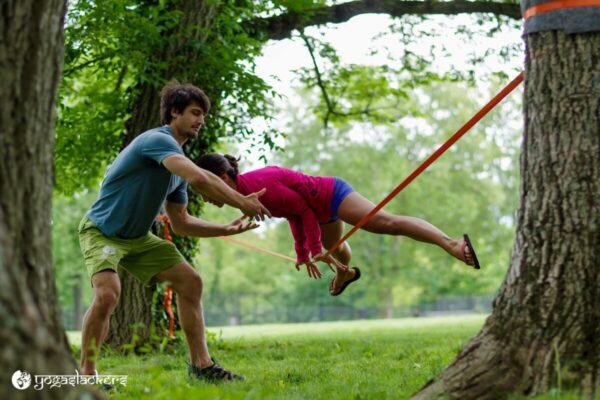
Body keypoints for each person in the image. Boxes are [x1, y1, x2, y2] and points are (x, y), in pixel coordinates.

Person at [78, 82, 271, 383]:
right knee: (107, 294)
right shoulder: (156, 140)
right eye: (195, 113)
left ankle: (202, 367)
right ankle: (86, 375)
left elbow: (180, 222)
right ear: (174, 112)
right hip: (103, 231)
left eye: (203, 117)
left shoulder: (175, 168)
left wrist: (225, 228)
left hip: (139, 238)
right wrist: (242, 201)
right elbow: (198, 176)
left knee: (190, 282)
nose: (200, 121)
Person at [195, 153, 479, 296]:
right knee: (336, 250)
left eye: (204, 187)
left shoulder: (259, 186)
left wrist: (313, 247)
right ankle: (346, 273)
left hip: (331, 195)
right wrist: (303, 254)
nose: (205, 197)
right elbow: (292, 215)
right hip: (317, 212)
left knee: (384, 223)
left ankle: (452, 244)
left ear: (222, 177)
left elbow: (301, 210)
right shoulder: (243, 196)